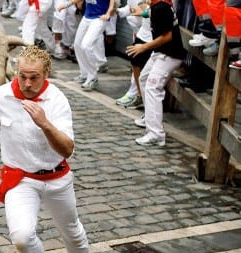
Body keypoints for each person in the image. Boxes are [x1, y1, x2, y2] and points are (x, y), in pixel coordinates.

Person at [0, 46, 92, 253]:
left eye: (34, 77)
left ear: (46, 73)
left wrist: (45, 124)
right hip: (21, 179)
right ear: (15, 71)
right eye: (22, 76)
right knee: (22, 237)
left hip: (57, 178)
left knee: (72, 231)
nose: (27, 83)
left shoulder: (57, 99)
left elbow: (67, 149)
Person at [127, 0, 185, 146]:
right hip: (160, 52)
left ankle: (156, 134)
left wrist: (144, 47)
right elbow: (148, 13)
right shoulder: (157, 6)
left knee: (153, 88)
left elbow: (168, 36)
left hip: (170, 55)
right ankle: (149, 117)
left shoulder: (161, 7)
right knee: (143, 79)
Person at [58, 0, 115, 91]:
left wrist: (108, 14)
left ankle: (93, 77)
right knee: (77, 45)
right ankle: (84, 74)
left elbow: (112, 4)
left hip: (99, 18)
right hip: (87, 17)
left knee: (86, 46)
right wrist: (66, 5)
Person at [117, 0, 153, 110]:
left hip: (153, 37)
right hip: (141, 34)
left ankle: (145, 102)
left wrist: (142, 11)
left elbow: (150, 11)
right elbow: (135, 7)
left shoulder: (162, 5)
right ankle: (139, 96)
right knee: (135, 62)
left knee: (148, 74)